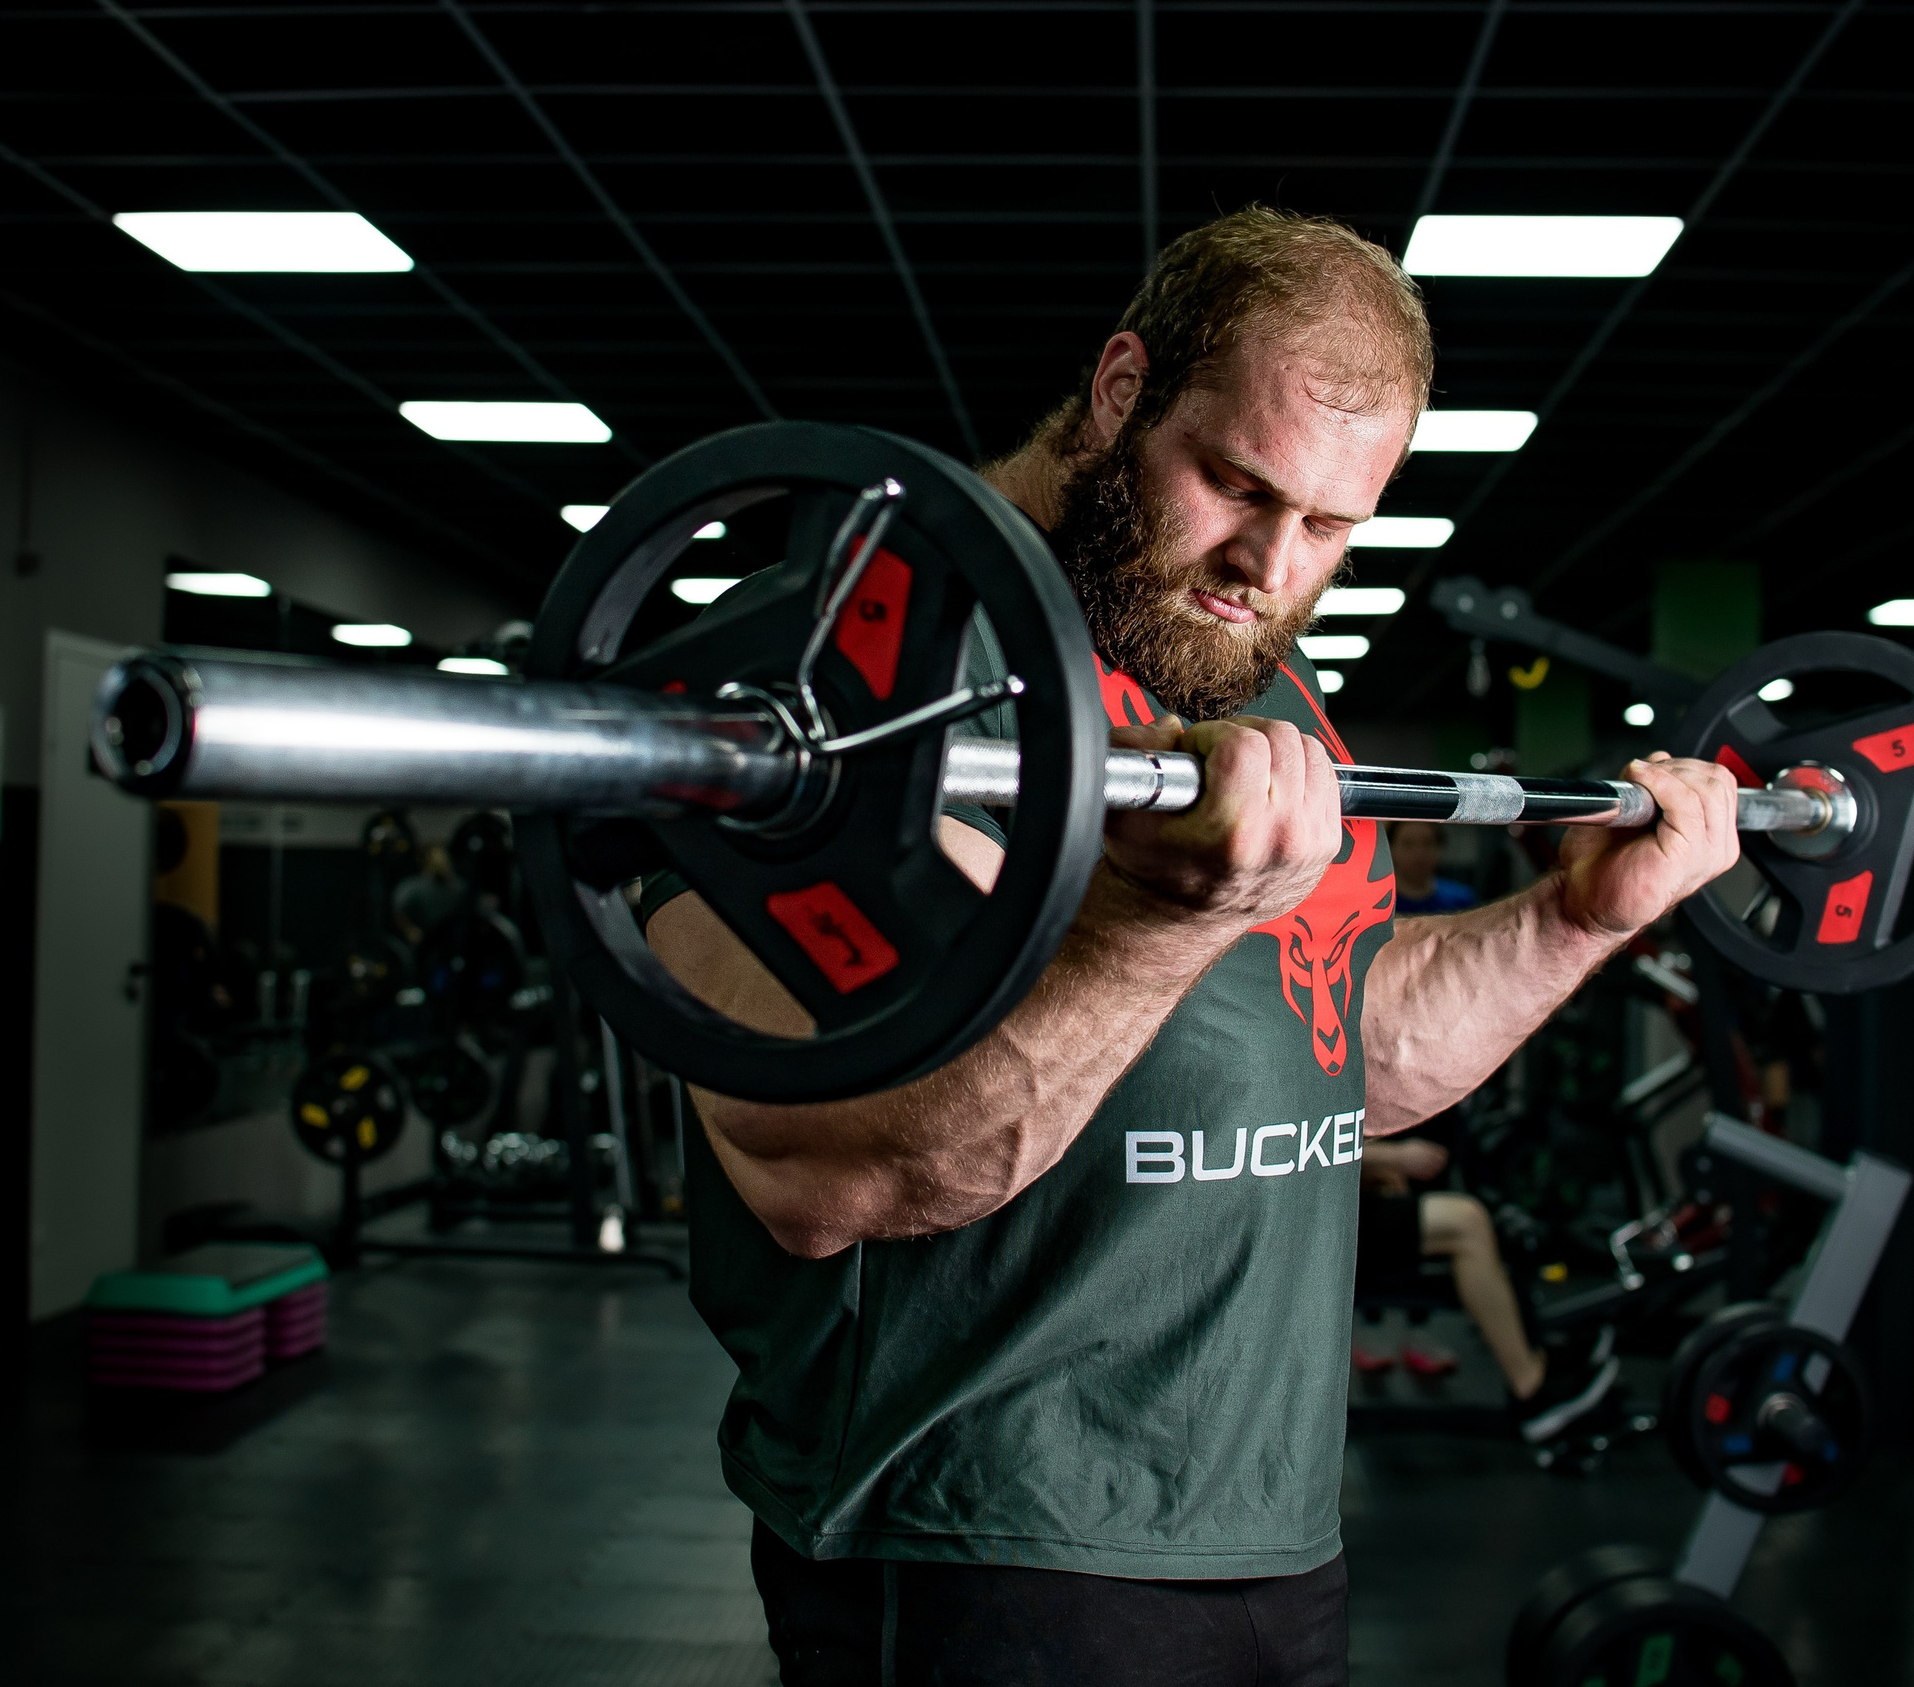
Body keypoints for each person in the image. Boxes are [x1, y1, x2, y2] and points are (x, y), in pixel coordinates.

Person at [645, 208, 1737, 1686]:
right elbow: (822, 1171)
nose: (1269, 564)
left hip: (1265, 1530)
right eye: (1236, 483)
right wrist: (1156, 925)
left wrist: (1576, 918)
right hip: (983, 1538)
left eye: (1332, 527)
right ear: (1120, 388)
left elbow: (1337, 1043)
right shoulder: (860, 652)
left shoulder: (1241, 670)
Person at [1358, 1136, 1619, 1443]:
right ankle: (1532, 1392)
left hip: (1350, 1202)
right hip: (1329, 1225)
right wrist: (1394, 1157)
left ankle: (1537, 1356)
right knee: (1466, 1222)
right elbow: (1313, 1139)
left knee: (1492, 1216)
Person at [1388, 819, 1480, 915]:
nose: (1419, 854)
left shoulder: (1461, 900)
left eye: (1427, 844)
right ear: (1391, 849)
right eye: (1408, 844)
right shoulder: (1381, 902)